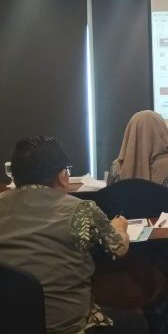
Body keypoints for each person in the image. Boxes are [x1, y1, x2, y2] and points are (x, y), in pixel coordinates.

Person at [0, 136, 130, 334]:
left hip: (9, 325)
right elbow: (117, 248)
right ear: (62, 176)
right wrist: (119, 225)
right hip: (67, 327)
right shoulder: (80, 210)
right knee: (135, 321)